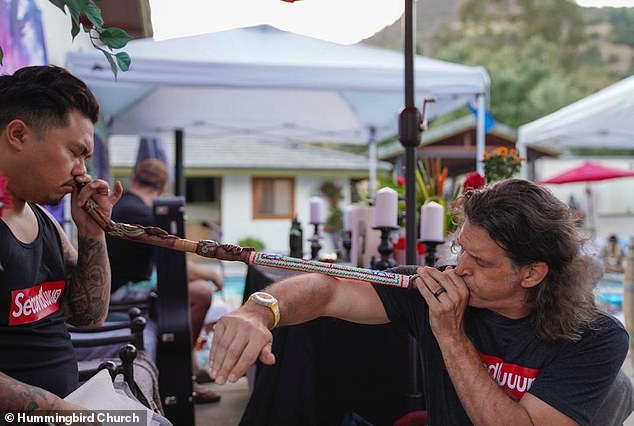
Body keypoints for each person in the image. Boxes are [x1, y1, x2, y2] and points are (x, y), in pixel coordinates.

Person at [210, 179, 629, 425]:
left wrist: (450, 336)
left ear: (532, 273)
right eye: (460, 248)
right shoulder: (438, 287)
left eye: (479, 261)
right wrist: (260, 309)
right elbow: (331, 288)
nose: (459, 267)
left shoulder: (595, 338)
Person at [0, 65, 123, 412]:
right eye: (75, 152)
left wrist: (92, 233)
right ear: (19, 135)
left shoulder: (42, 221)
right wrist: (66, 414)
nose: (82, 171)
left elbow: (88, 316)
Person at [106, 158, 224, 403]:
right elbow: (175, 266)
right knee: (201, 294)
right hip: (118, 297)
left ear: (135, 178)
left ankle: (191, 370)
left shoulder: (125, 204)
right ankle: (177, 374)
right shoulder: (143, 213)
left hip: (118, 288)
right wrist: (211, 273)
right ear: (161, 188)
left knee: (187, 294)